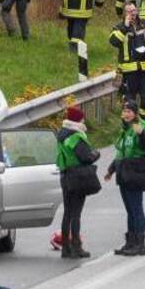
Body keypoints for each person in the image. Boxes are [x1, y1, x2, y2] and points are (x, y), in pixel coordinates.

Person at [105, 100, 145, 256]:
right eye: (124, 111)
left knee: (136, 209)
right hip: (123, 172)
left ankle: (140, 244)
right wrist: (111, 169)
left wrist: (142, 134)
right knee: (129, 210)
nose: (126, 114)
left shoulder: (139, 128)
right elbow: (121, 152)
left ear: (135, 113)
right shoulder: (125, 130)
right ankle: (130, 242)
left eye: (129, 111)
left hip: (134, 172)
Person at [56, 105, 100, 259]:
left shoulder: (61, 134)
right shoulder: (75, 136)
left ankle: (65, 248)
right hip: (77, 176)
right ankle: (76, 247)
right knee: (76, 214)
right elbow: (86, 157)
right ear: (78, 120)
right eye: (82, 118)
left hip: (65, 175)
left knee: (67, 213)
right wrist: (96, 154)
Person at [110, 1, 145, 121]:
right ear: (124, 14)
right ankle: (129, 127)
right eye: (129, 11)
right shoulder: (119, 27)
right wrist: (125, 27)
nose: (133, 14)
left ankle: (144, 123)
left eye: (134, 10)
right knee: (129, 102)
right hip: (129, 73)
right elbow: (114, 42)